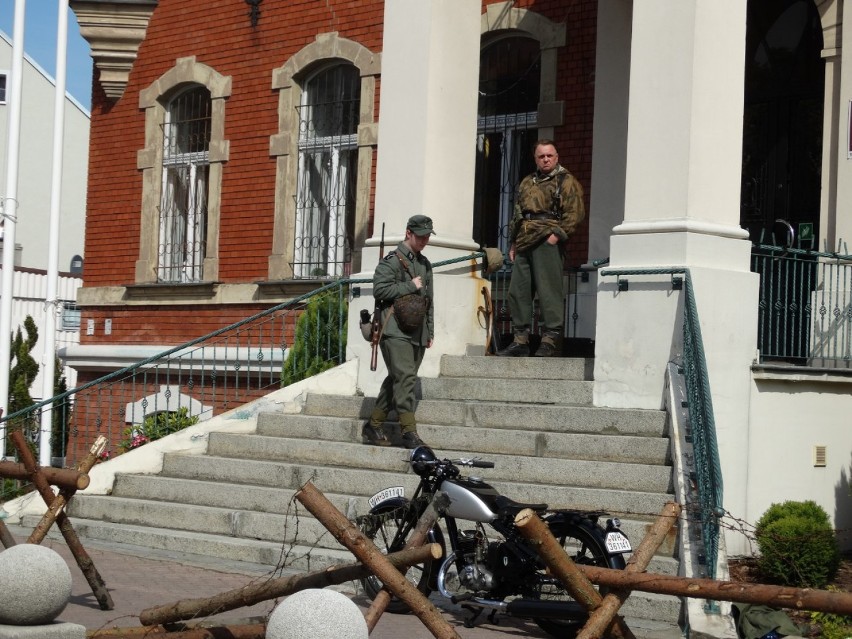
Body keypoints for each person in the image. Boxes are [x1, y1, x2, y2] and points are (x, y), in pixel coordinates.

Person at [498, 140, 585, 357]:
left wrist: (556, 236)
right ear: (535, 158)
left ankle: (549, 339)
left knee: (549, 290)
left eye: (549, 156)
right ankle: (520, 340)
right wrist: (514, 241)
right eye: (541, 156)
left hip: (547, 238)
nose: (545, 159)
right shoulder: (528, 181)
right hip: (525, 240)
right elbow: (518, 212)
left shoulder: (566, 181)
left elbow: (574, 213)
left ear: (556, 157)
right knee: (518, 291)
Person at [362, 215, 435, 448]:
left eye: (427, 236)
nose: (424, 240)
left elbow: (428, 301)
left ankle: (373, 425)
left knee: (398, 378)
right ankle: (408, 432)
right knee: (405, 378)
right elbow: (379, 290)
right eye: (420, 236)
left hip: (417, 332)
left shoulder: (425, 264)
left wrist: (429, 331)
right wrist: (409, 286)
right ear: (408, 233)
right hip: (394, 329)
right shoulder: (391, 261)